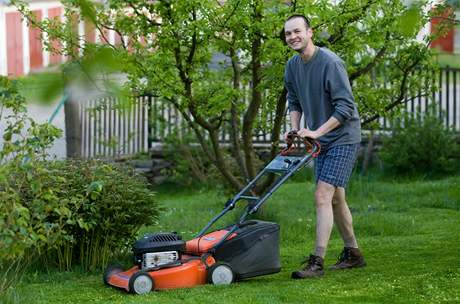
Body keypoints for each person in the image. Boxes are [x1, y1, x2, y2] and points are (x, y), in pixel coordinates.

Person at [283, 14, 366, 279]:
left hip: (342, 137)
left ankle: (316, 261)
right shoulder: (292, 66)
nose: (293, 37)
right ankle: (353, 253)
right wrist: (296, 129)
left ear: (310, 32)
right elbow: (294, 101)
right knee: (336, 198)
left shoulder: (330, 63)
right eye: (288, 34)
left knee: (322, 195)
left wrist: (317, 131)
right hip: (320, 140)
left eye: (297, 31)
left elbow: (346, 107)